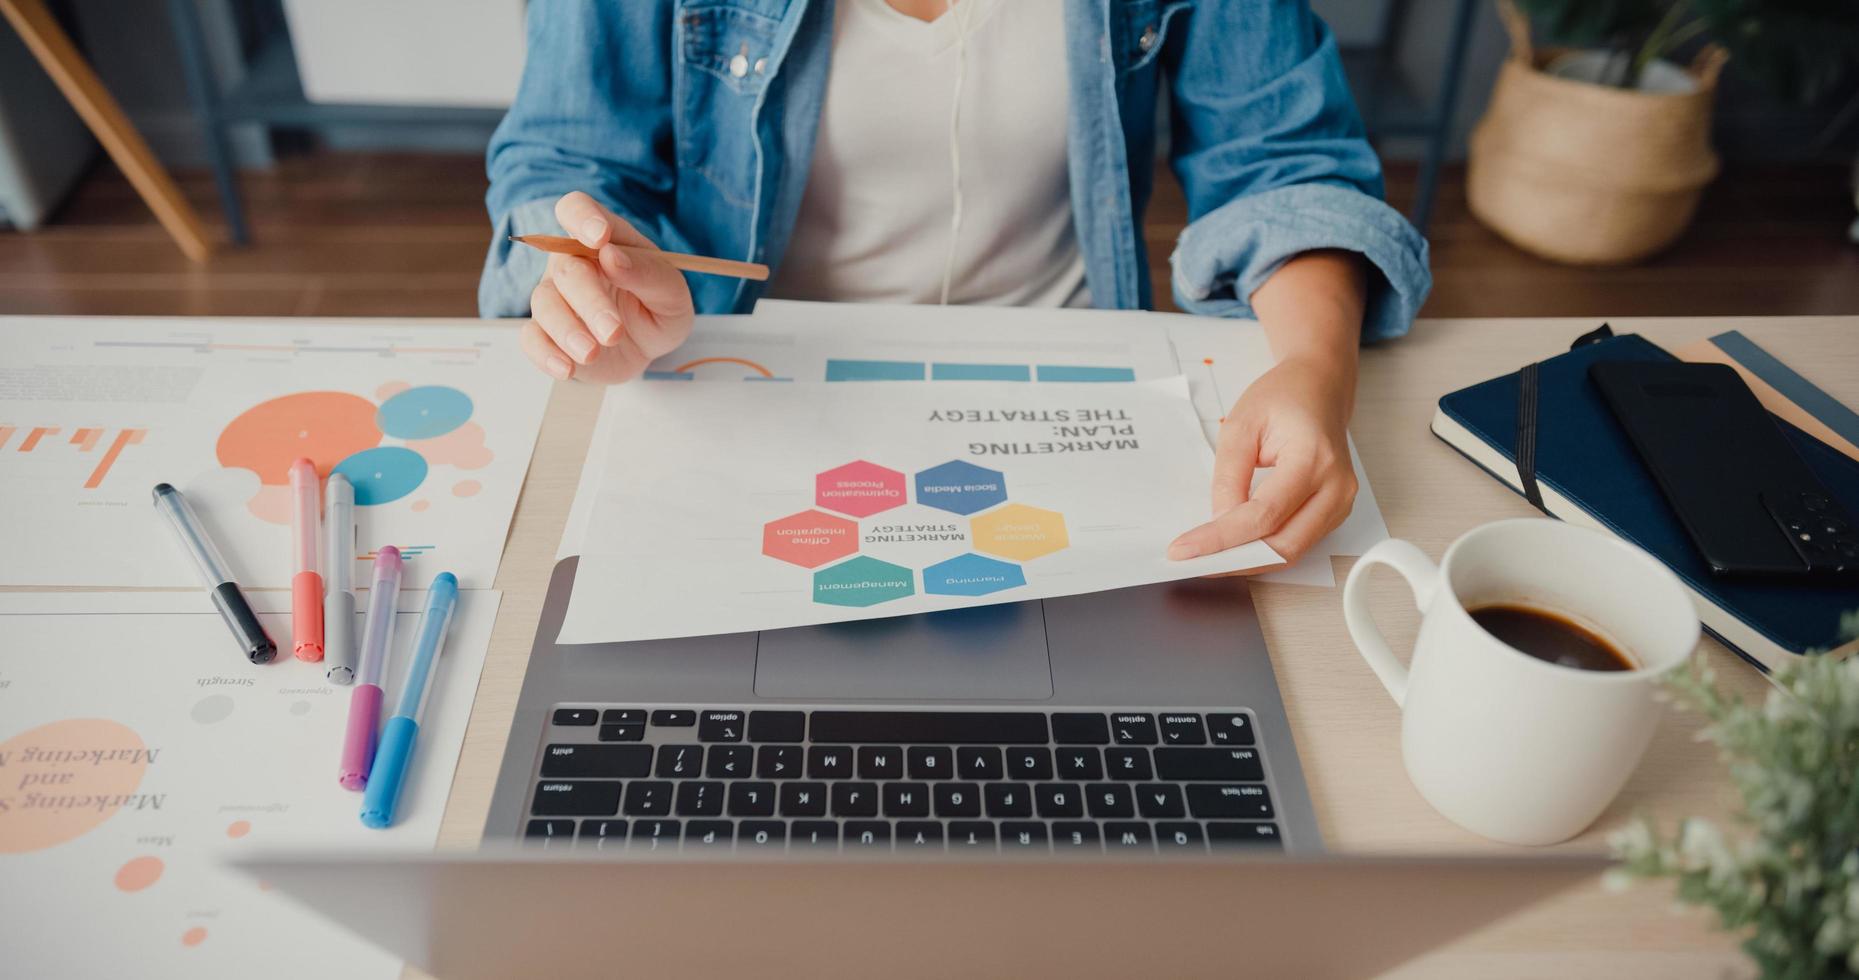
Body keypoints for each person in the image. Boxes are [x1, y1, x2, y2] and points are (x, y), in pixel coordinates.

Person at [478, 0, 1431, 569]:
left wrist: (1313, 367)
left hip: (1077, 385)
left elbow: (1283, 161)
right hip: (752, 384)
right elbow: (566, 161)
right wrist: (595, 288)